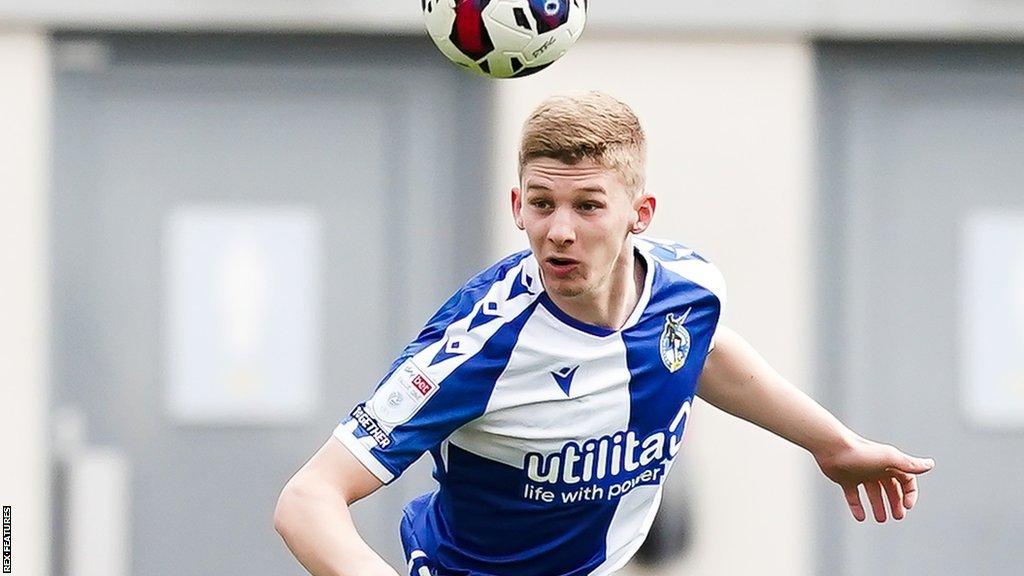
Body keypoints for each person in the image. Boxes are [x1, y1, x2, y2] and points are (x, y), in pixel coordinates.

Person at [274, 91, 934, 576]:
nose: (559, 230)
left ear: (639, 214)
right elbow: (307, 500)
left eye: (587, 205)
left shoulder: (689, 289)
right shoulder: (478, 346)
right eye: (541, 203)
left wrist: (834, 444)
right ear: (517, 207)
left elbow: (700, 352)